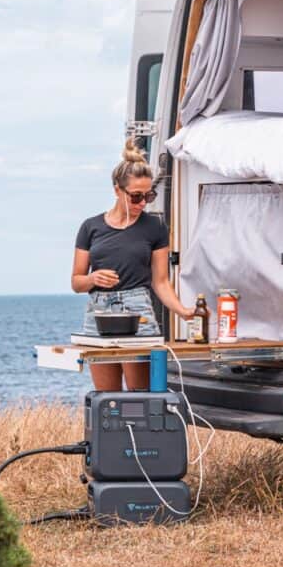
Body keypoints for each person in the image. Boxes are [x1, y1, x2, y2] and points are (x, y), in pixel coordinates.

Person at [71, 138, 194, 392]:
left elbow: (159, 281)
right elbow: (76, 282)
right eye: (136, 196)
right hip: (99, 313)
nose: (142, 204)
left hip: (138, 311)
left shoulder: (154, 227)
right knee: (106, 400)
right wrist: (93, 279)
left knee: (140, 397)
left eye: (149, 196)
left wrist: (182, 311)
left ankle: (138, 435)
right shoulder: (91, 227)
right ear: (118, 190)